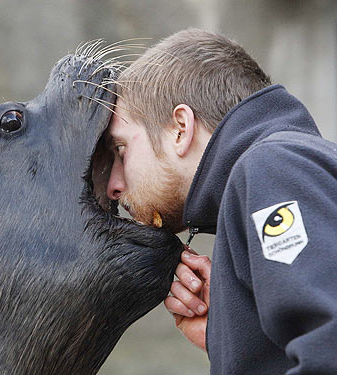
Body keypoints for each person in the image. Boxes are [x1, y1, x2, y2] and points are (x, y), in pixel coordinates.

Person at [105, 28, 337, 374]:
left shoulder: (271, 167)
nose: (113, 185)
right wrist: (237, 335)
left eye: (121, 149)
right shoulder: (279, 170)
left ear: (180, 128)